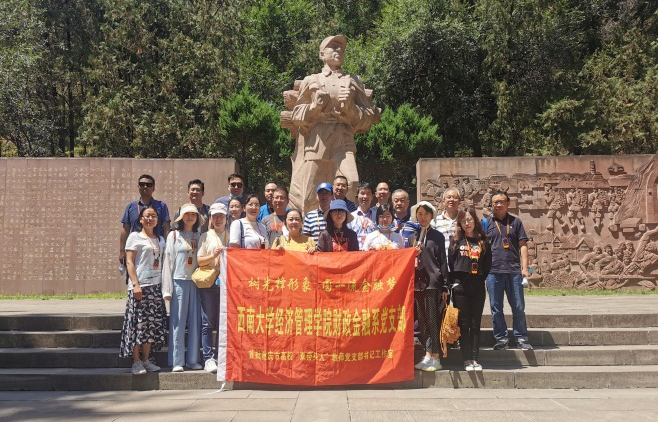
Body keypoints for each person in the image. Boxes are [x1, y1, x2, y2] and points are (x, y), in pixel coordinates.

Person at [289, 35, 380, 213]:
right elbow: (297, 115)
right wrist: (314, 107)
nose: (339, 50)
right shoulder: (311, 80)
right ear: (322, 54)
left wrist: (351, 108)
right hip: (317, 140)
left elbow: (367, 117)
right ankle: (311, 226)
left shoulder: (352, 81)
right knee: (310, 193)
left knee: (351, 182)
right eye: (333, 47)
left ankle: (344, 223)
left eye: (341, 48)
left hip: (343, 139)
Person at [120, 205, 167, 375]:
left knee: (151, 325)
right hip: (140, 286)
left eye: (153, 216)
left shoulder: (160, 239)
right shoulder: (135, 237)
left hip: (156, 286)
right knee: (138, 324)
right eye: (147, 216)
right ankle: (136, 361)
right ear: (141, 219)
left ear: (157, 220)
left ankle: (146, 359)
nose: (150, 219)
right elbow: (129, 262)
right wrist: (135, 284)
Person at [484, 191, 532, 350]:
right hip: (493, 271)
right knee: (496, 307)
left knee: (518, 306)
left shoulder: (516, 222)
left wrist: (525, 268)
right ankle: (501, 338)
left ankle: (521, 337)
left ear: (508, 203)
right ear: (491, 204)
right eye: (495, 202)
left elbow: (523, 245)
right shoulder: (485, 223)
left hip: (513, 271)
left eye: (501, 201)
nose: (498, 205)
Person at [448, 207, 492, 372]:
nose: (467, 223)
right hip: (460, 287)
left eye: (469, 220)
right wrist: (454, 283)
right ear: (459, 223)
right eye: (463, 221)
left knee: (475, 324)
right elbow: (451, 263)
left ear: (475, 221)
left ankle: (475, 358)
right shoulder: (455, 241)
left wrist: (479, 278)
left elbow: (487, 265)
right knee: (464, 324)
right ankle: (466, 359)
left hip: (478, 286)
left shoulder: (483, 241)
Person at [162, 203, 204, 372]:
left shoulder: (199, 236)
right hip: (178, 280)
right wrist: (167, 289)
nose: (190, 217)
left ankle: (192, 359)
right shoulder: (173, 236)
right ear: (181, 217)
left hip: (196, 282)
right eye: (187, 214)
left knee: (195, 321)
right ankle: (177, 360)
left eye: (193, 215)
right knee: (177, 322)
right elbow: (168, 262)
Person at [408, 201, 448, 372]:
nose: (423, 217)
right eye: (420, 214)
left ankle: (436, 357)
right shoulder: (412, 237)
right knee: (422, 321)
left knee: (433, 321)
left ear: (432, 216)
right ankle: (427, 354)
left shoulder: (437, 236)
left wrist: (445, 285)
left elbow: (443, 261)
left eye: (426, 214)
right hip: (417, 284)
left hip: (433, 282)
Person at [196, 203, 229, 373]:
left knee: (224, 321)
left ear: (226, 218)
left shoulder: (231, 236)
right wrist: (214, 255)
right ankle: (208, 357)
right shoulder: (205, 236)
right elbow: (199, 260)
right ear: (210, 218)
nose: (218, 219)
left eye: (221, 216)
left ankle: (221, 355)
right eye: (214, 216)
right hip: (209, 282)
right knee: (207, 322)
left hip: (227, 284)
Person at [120, 174, 170, 269]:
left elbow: (166, 227)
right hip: (135, 249)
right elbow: (125, 229)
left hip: (155, 248)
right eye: (142, 184)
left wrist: (167, 247)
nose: (145, 187)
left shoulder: (161, 206)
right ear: (138, 186)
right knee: (134, 272)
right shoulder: (131, 206)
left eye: (148, 185)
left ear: (153, 188)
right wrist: (122, 251)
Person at [432, 188, 461, 261]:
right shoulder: (435, 222)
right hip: (442, 263)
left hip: (461, 263)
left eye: (455, 197)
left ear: (459, 202)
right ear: (443, 202)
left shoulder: (464, 220)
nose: (451, 200)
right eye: (449, 197)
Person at [348, 182, 377, 250]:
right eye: (362, 193)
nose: (365, 196)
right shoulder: (350, 217)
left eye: (368, 194)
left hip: (374, 253)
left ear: (372, 196)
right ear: (357, 195)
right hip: (356, 253)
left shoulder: (377, 216)